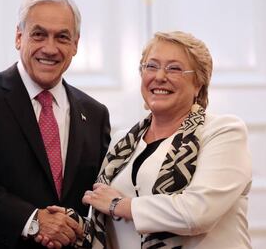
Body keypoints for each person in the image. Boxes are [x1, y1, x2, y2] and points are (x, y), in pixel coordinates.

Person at [53, 30, 252, 248]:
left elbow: (198, 212)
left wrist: (119, 205)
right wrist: (70, 225)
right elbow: (111, 225)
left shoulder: (223, 132)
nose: (159, 76)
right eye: (151, 66)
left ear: (199, 84)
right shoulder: (122, 142)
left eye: (174, 68)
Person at [0, 0, 111, 248]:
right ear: (19, 37)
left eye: (62, 37)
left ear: (76, 44)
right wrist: (32, 220)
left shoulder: (95, 113)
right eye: (39, 34)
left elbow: (97, 193)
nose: (50, 48)